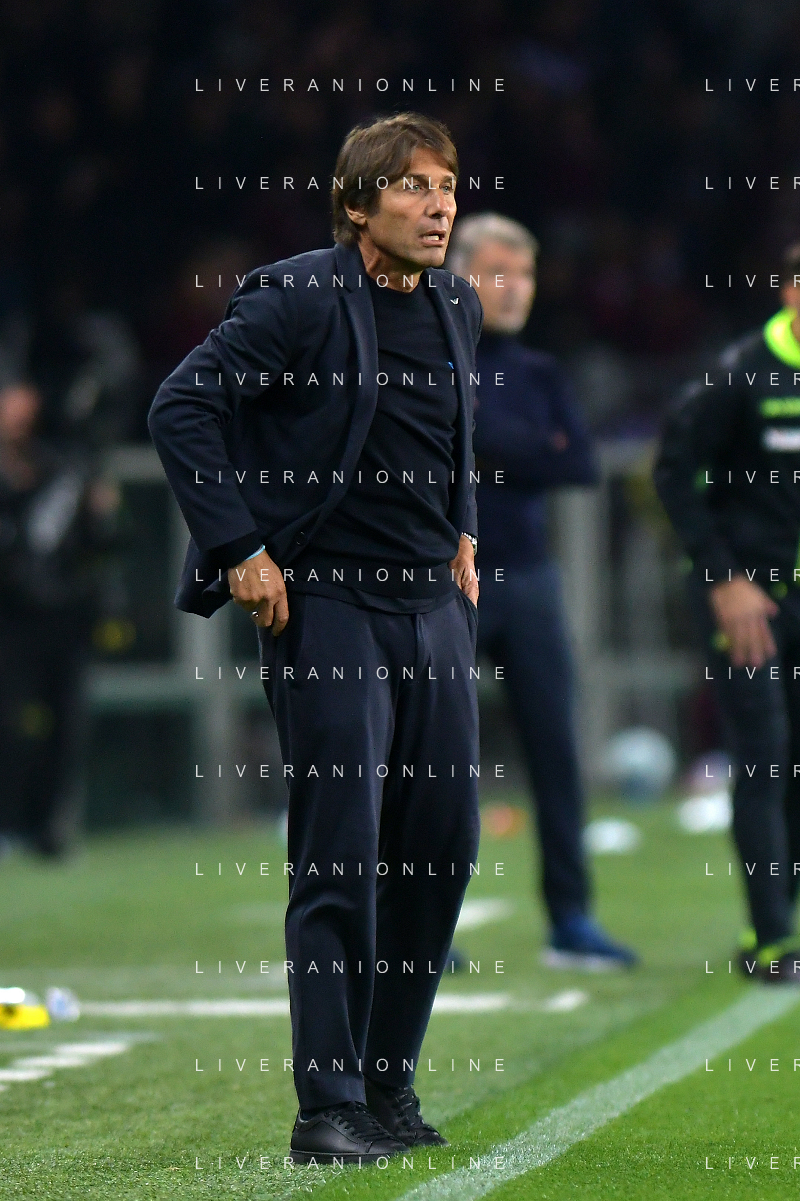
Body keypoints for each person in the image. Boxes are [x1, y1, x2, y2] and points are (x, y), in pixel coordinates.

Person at [148, 113, 482, 1163]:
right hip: (329, 603)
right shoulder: (293, 295)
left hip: (431, 605)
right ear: (355, 205)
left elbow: (449, 430)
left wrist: (464, 525)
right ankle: (325, 1106)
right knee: (339, 853)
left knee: (442, 850)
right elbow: (181, 407)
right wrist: (240, 547)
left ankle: (387, 1087)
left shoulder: (457, 303)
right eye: (413, 186)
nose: (438, 207)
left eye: (447, 186)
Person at [446, 213, 637, 969]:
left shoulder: (539, 372)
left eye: (523, 274)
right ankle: (425, 927)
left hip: (527, 578)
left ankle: (572, 919)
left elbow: (579, 464)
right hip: (447, 581)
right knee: (434, 761)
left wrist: (487, 442)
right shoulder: (432, 357)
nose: (515, 288)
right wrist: (529, 447)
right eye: (497, 272)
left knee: (557, 751)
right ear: (460, 275)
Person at [654, 241, 800, 984]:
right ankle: (770, 937)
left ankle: (779, 915)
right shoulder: (740, 372)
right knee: (766, 754)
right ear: (791, 291)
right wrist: (723, 577)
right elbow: (672, 472)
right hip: (748, 601)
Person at [0, 380, 120, 857]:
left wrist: (103, 513)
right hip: (9, 618)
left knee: (66, 726)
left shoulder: (66, 471)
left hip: (64, 617)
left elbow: (103, 547)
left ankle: (49, 827)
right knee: (9, 723)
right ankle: (10, 823)